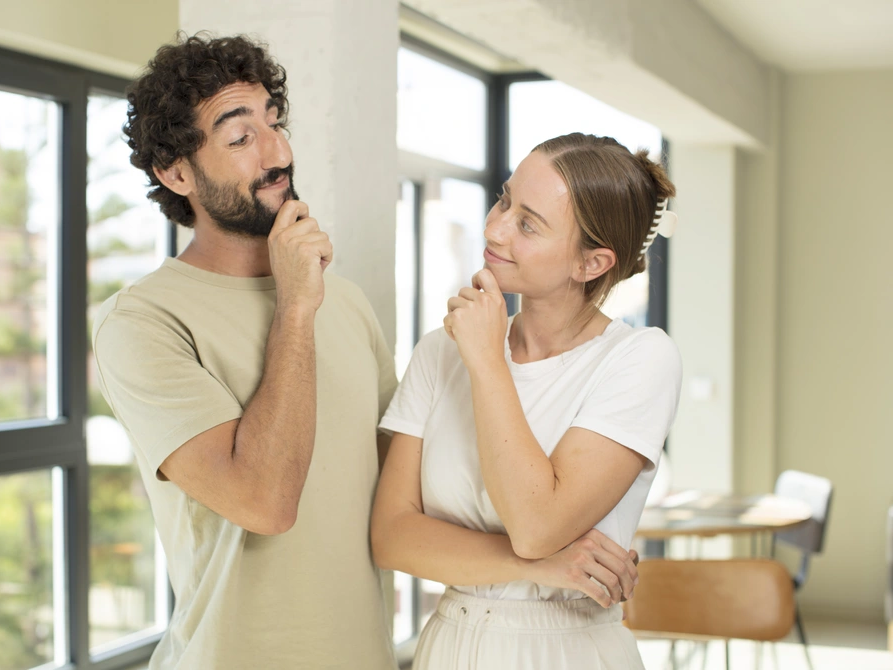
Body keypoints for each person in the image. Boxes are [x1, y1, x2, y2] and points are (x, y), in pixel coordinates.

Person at [94, 32, 642, 669]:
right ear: (176, 172)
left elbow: (407, 504)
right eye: (240, 137)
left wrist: (567, 540)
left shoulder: (346, 303)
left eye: (275, 121)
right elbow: (265, 503)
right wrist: (295, 306)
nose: (276, 151)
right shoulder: (142, 322)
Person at [372, 133, 683, 669]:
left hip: (568, 650)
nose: (494, 228)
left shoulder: (640, 360)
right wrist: (537, 568)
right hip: (449, 645)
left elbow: (537, 524)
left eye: (528, 223)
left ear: (591, 264)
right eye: (503, 199)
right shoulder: (441, 351)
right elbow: (392, 537)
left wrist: (489, 363)